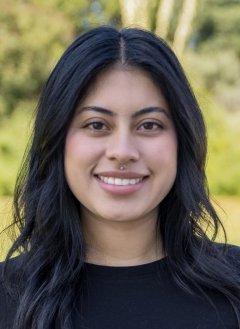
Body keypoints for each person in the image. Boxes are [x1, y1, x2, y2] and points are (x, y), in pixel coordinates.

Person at [0, 25, 239, 329]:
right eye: (97, 124)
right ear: (57, 140)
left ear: (182, 141)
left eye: (149, 125)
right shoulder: (8, 297)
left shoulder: (234, 288)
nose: (123, 151)